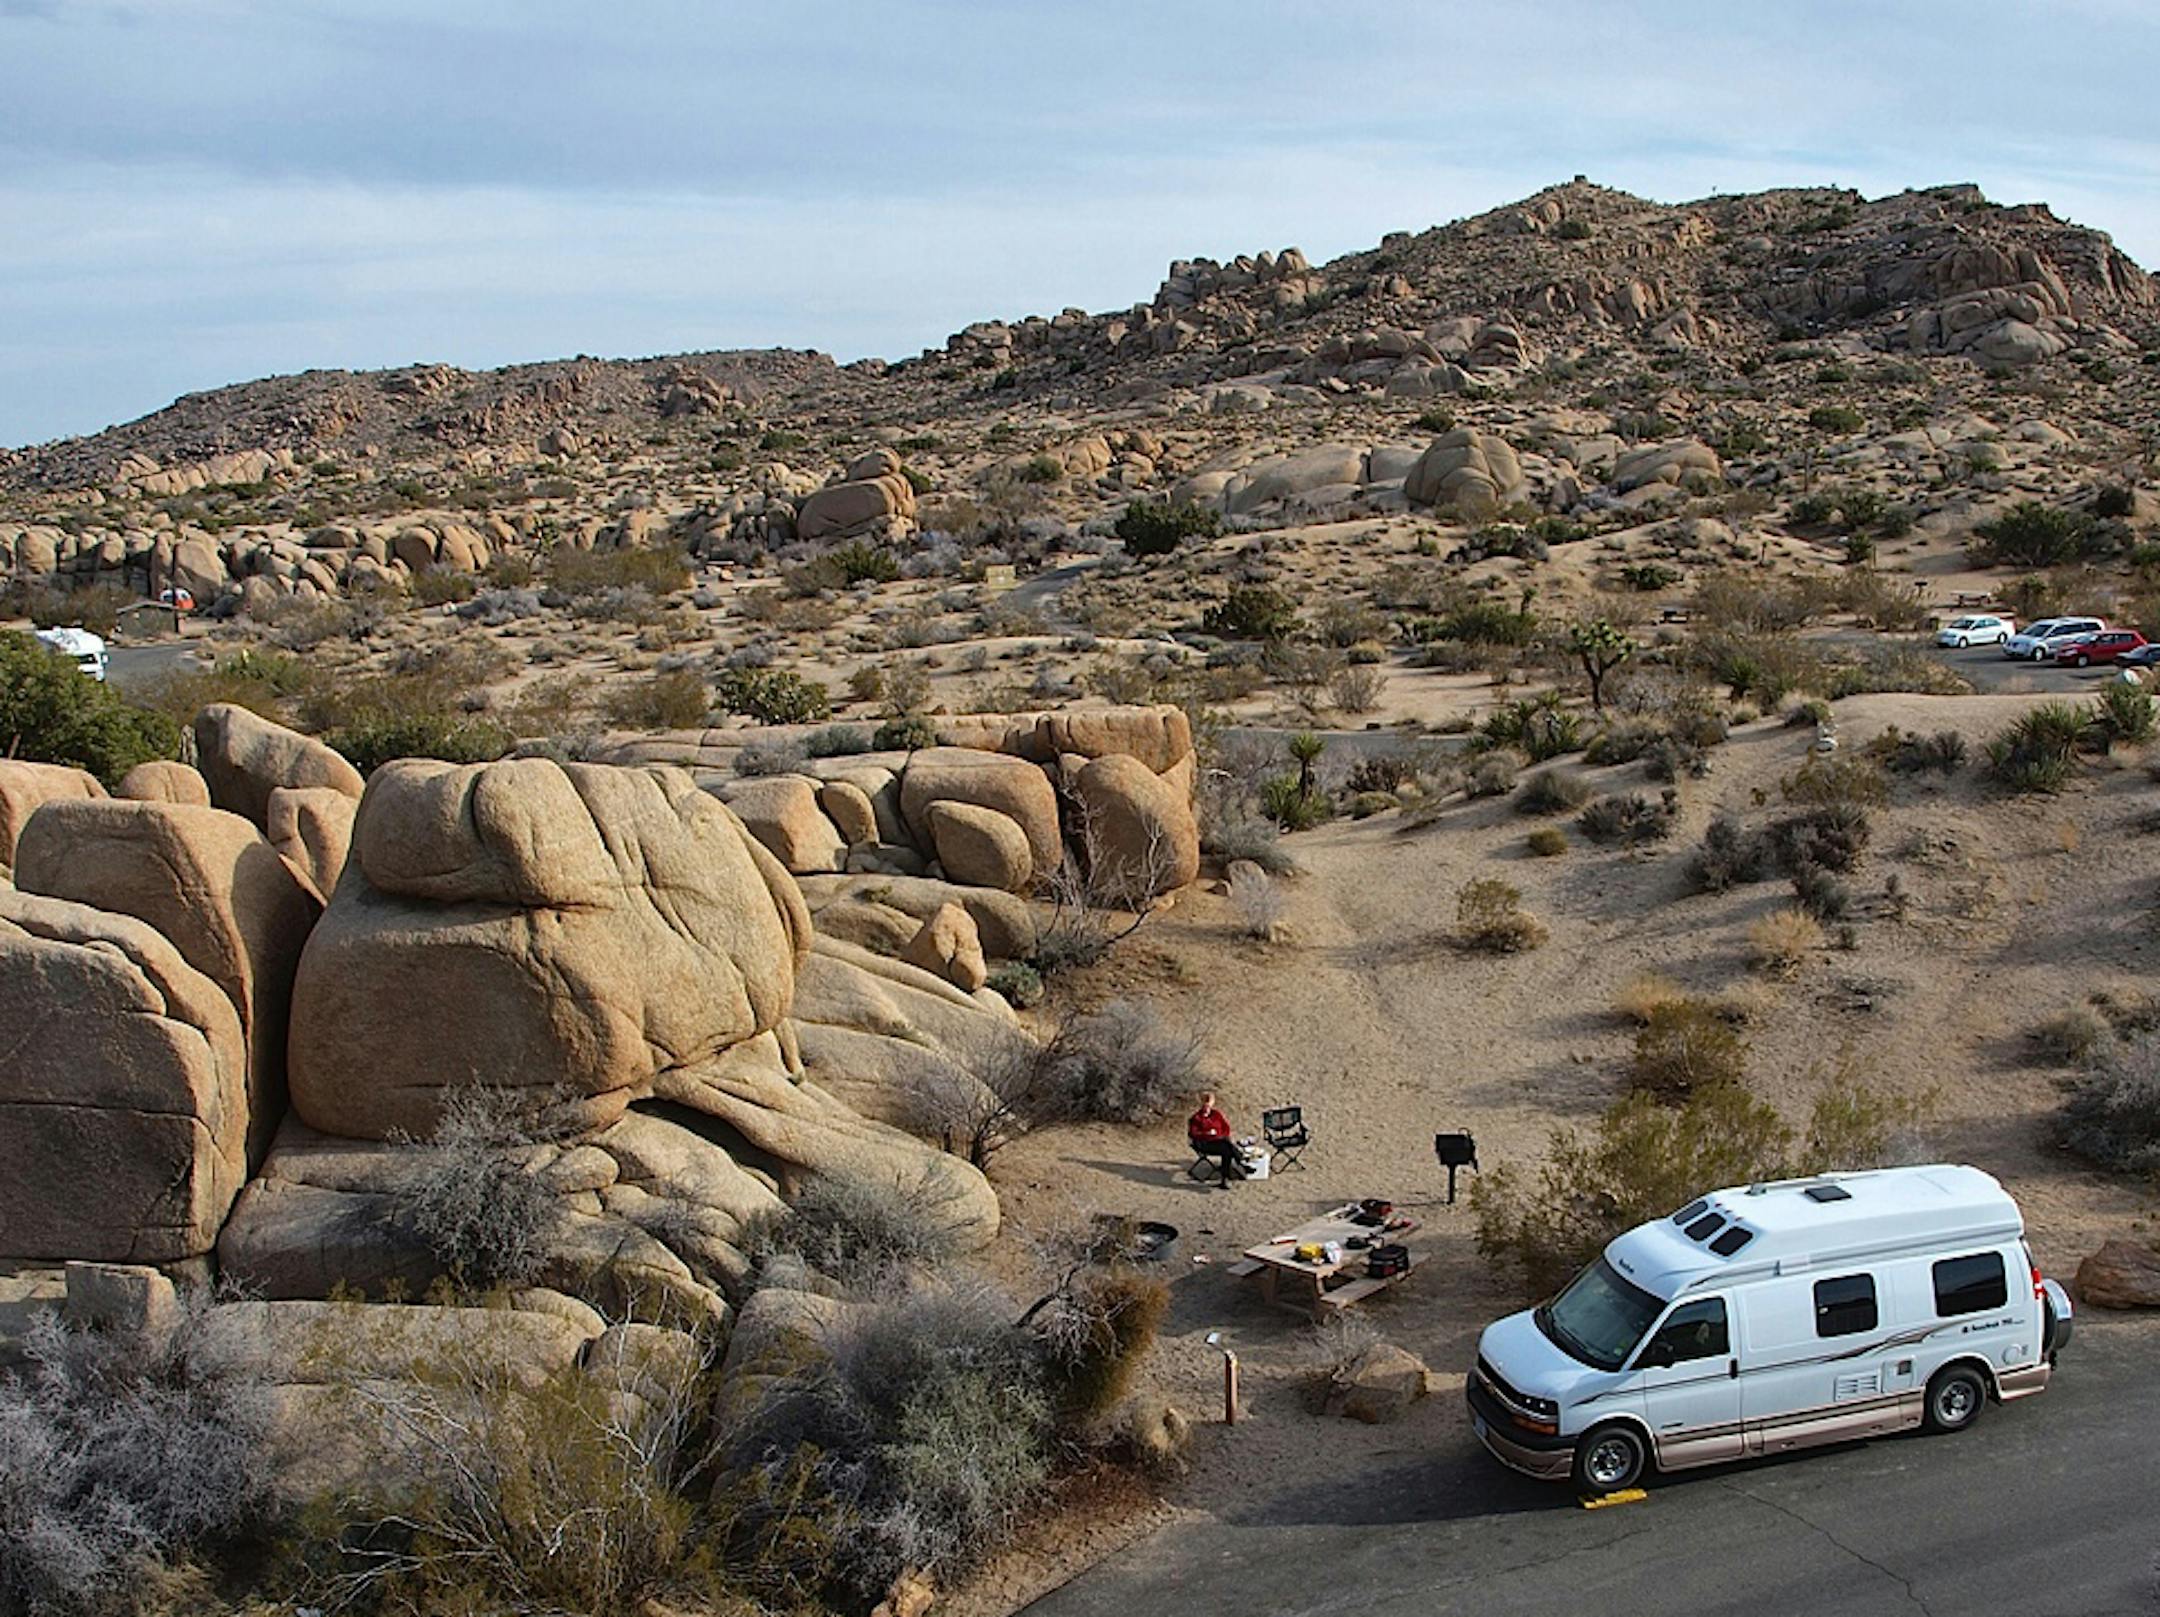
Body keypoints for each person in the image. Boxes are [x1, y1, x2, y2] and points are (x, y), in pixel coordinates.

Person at [1188, 1092, 1251, 1184]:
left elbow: (1226, 1128)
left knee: (1227, 1148)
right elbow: (1194, 1134)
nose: (1206, 1109)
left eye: (1208, 1106)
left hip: (1219, 1141)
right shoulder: (1197, 1118)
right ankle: (1240, 1163)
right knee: (1227, 1148)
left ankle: (1225, 1178)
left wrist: (1219, 1135)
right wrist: (1206, 1133)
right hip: (1204, 1143)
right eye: (1205, 1106)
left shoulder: (1216, 1114)